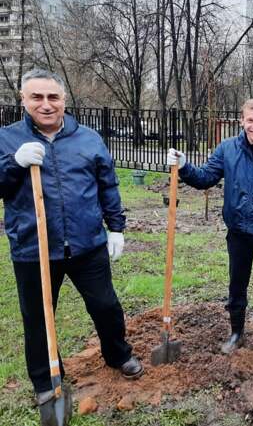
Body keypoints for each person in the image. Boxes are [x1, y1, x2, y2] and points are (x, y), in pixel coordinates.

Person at [0, 69, 143, 417]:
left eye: (53, 97)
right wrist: (14, 164)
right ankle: (46, 380)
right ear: (24, 100)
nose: (46, 105)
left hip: (86, 244)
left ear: (64, 100)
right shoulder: (6, 139)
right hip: (34, 248)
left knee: (106, 306)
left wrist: (117, 228)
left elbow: (108, 185)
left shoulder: (89, 139)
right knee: (37, 317)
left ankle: (118, 354)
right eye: (37, 97)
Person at [167, 98, 253, 363]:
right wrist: (184, 166)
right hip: (238, 233)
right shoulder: (228, 149)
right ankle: (237, 332)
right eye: (250, 121)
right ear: (242, 122)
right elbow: (206, 177)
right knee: (236, 285)